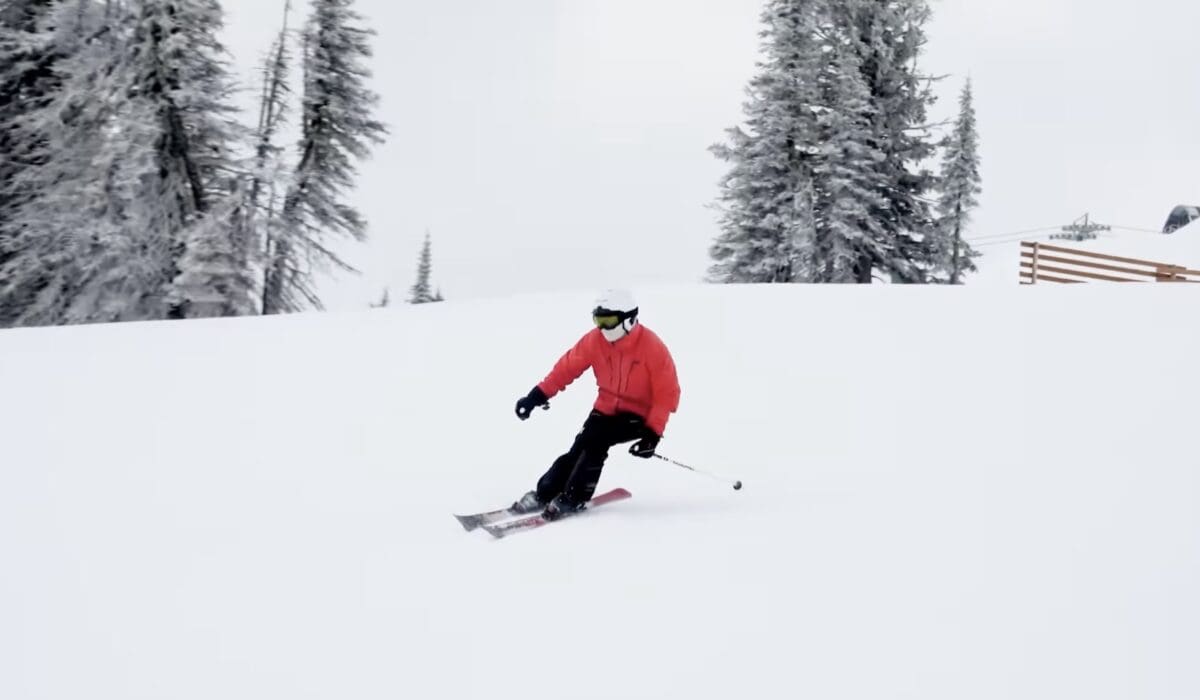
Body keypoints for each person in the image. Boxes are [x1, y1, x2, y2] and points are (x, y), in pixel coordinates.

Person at [512, 289, 681, 520]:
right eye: (598, 320)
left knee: (596, 444)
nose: (603, 328)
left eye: (609, 321)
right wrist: (537, 396)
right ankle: (543, 493)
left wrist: (653, 434)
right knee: (579, 446)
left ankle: (574, 497)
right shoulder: (595, 341)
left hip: (638, 414)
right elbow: (566, 369)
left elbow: (667, 393)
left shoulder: (652, 347)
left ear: (629, 319)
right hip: (605, 408)